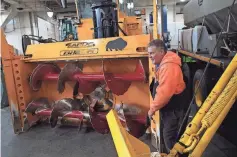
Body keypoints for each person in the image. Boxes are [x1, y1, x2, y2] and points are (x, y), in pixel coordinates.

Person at [147, 39, 187, 153]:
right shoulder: (164, 63)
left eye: (152, 53)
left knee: (170, 139)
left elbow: (164, 93)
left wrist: (152, 110)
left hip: (173, 110)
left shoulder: (168, 67)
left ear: (161, 51)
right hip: (170, 109)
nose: (150, 56)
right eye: (148, 53)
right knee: (170, 137)